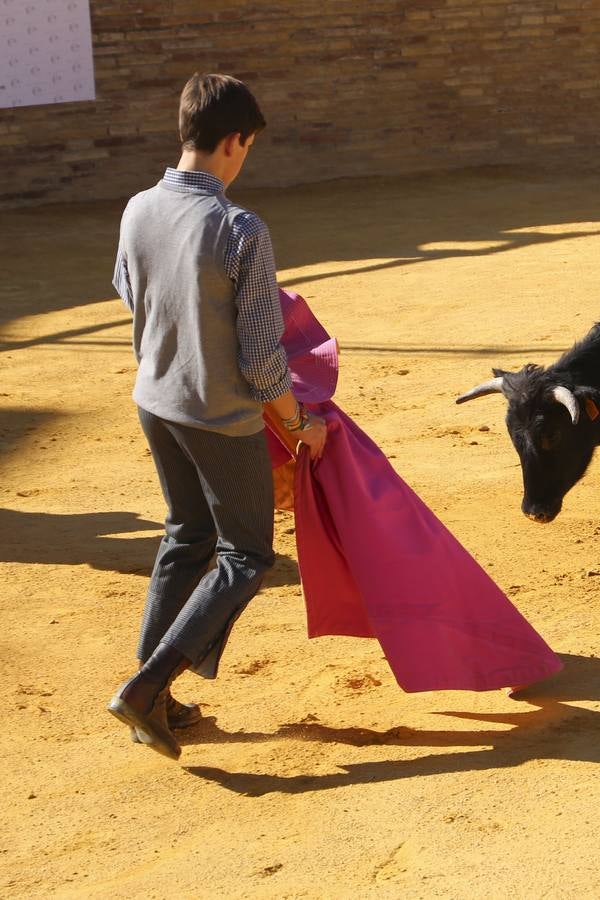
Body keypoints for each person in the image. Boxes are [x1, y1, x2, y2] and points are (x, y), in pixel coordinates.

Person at [108, 73, 326, 760]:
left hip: (156, 400)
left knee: (186, 537)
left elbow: (128, 293)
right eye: (248, 145)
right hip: (216, 412)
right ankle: (147, 688)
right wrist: (299, 425)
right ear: (235, 141)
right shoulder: (238, 228)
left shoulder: (139, 207)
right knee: (248, 554)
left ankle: (155, 695)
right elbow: (262, 361)